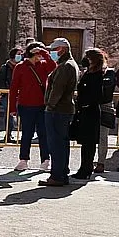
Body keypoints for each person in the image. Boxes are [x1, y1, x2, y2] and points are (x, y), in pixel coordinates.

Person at [8, 42, 56, 171]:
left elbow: (54, 67)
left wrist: (45, 53)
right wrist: (12, 107)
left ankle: (45, 160)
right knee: (26, 134)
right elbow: (13, 88)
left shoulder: (44, 65)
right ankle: (23, 160)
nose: (41, 56)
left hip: (42, 105)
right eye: (39, 53)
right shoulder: (20, 67)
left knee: (43, 134)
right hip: (25, 105)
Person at [39, 38, 79, 187]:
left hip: (58, 110)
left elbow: (57, 89)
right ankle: (61, 173)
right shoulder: (68, 65)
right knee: (61, 143)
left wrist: (50, 105)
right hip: (63, 109)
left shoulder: (65, 67)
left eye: (54, 50)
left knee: (56, 144)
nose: (51, 53)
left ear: (61, 49)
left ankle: (57, 175)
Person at [72, 49, 110, 180]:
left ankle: (86, 169)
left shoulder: (98, 74)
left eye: (87, 57)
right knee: (85, 142)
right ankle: (84, 167)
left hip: (90, 111)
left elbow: (97, 94)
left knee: (89, 143)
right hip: (84, 110)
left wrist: (86, 103)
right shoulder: (89, 72)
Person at [0, 47, 22, 142]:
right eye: (18, 54)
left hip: (19, 95)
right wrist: (6, 92)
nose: (20, 56)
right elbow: (1, 81)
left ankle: (19, 134)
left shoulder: (21, 66)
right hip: (8, 95)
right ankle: (8, 134)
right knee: (9, 114)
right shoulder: (5, 67)